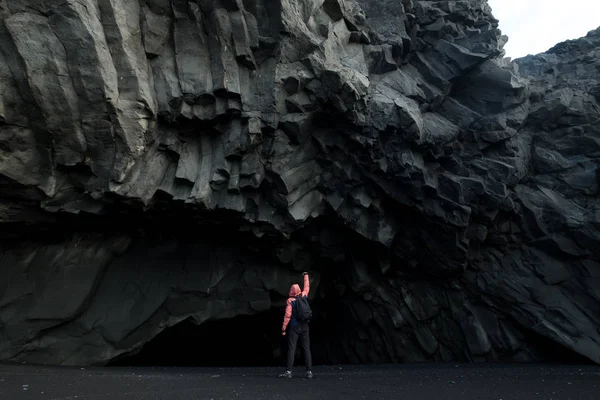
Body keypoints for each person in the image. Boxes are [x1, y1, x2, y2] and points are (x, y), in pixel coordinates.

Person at [278, 272, 313, 379]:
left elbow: (287, 316)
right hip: (305, 326)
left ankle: (288, 372)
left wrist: (283, 329)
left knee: (292, 348)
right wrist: (306, 276)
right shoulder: (303, 296)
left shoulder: (290, 301)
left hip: (294, 327)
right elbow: (307, 287)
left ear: (291, 292)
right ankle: (309, 372)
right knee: (306, 348)